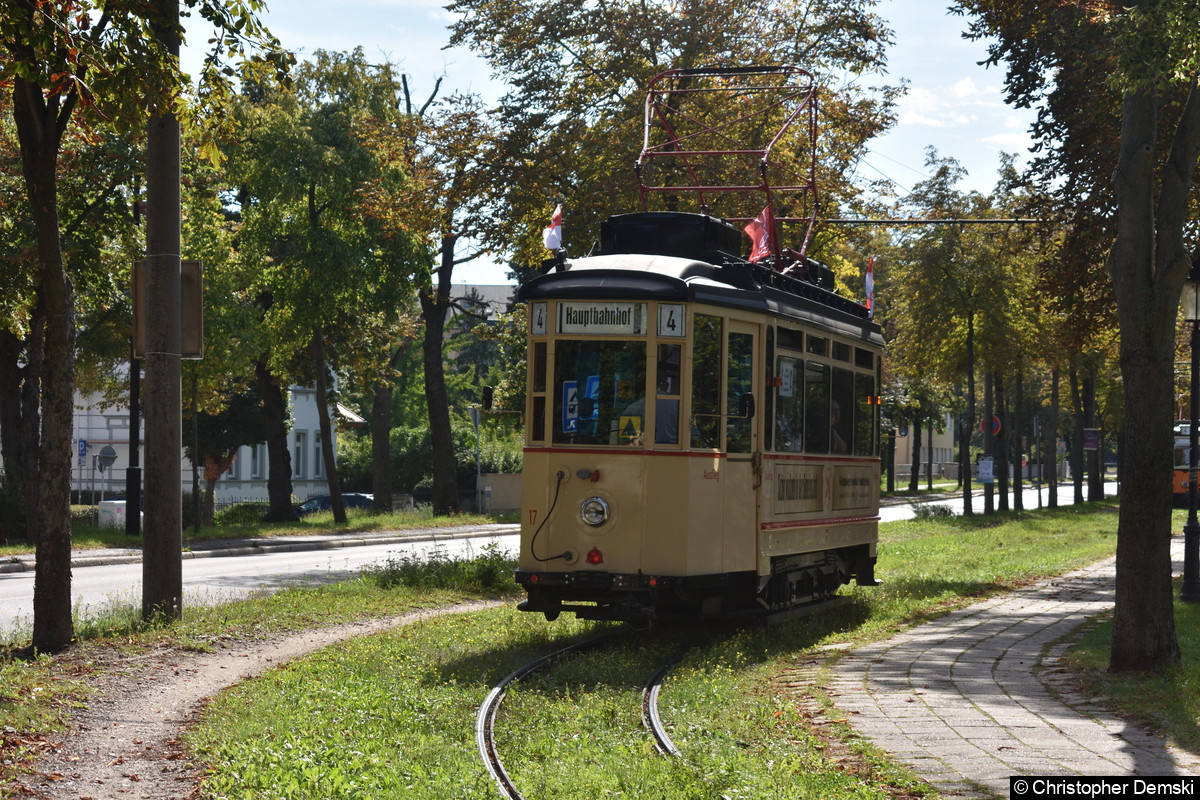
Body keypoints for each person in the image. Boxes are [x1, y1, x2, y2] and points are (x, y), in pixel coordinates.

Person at [621, 376, 679, 445]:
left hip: (642, 448)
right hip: (672, 451)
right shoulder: (678, 406)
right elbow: (692, 435)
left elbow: (625, 436)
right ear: (666, 386)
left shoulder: (634, 407)